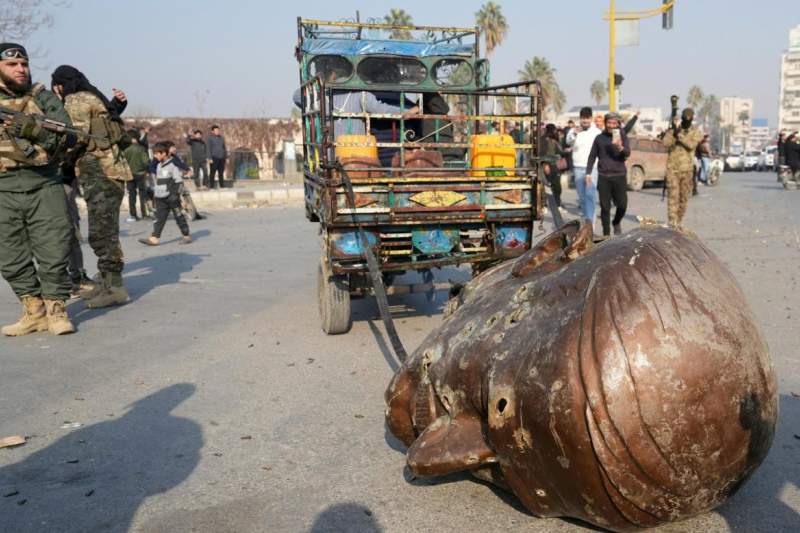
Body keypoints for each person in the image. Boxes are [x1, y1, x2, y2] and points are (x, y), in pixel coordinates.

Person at [0, 43, 75, 335]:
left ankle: (56, 308)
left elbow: (68, 136)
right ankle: (34, 309)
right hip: (3, 188)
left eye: (24, 64)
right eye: (12, 65)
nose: (21, 69)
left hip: (43, 182)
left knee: (54, 247)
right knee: (8, 253)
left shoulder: (42, 96)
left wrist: (29, 129)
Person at [51, 64, 132, 308]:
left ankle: (114, 287)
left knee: (102, 232)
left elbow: (76, 137)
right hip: (107, 171)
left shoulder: (75, 99)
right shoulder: (92, 96)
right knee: (103, 229)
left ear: (59, 85)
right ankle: (106, 283)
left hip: (100, 172)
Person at [586, 113, 631, 238]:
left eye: (614, 123)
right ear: (605, 123)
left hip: (619, 175)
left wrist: (620, 147)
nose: (611, 126)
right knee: (605, 207)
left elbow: (628, 153)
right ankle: (606, 235)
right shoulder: (599, 138)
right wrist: (588, 173)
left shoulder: (622, 136)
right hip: (604, 176)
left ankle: (616, 222)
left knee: (622, 205)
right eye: (609, 123)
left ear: (618, 124)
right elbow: (592, 156)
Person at [138, 142, 192, 246]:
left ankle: (186, 235)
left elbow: (179, 182)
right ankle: (154, 238)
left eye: (157, 153)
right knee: (159, 218)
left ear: (164, 153)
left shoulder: (173, 165)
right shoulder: (158, 165)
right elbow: (158, 181)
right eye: (154, 154)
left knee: (179, 216)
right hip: (160, 198)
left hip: (172, 197)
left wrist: (175, 195)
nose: (155, 156)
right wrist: (156, 193)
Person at [661, 108, 703, 229]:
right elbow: (665, 143)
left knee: (684, 198)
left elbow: (691, 145)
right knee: (673, 197)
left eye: (689, 117)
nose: (687, 119)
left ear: (692, 118)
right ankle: (672, 222)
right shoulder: (674, 130)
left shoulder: (695, 131)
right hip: (672, 169)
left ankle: (678, 220)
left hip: (687, 170)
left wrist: (679, 136)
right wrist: (673, 134)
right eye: (685, 117)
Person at [566, 106, 601, 231]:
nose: (585, 121)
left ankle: (590, 225)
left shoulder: (597, 132)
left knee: (590, 195)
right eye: (583, 118)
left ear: (591, 119)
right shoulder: (573, 131)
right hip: (578, 167)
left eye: (587, 118)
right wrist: (575, 133)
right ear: (580, 119)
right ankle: (586, 220)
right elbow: (568, 143)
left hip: (592, 169)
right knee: (582, 198)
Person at [123, 129, 150, 221]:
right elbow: (146, 162)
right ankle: (144, 213)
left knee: (131, 195)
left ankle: (133, 215)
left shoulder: (126, 150)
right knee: (142, 194)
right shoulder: (141, 149)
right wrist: (147, 169)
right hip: (141, 174)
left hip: (129, 175)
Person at [541, 123, 568, 213]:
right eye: (555, 130)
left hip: (555, 166)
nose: (556, 132)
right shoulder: (543, 140)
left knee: (557, 187)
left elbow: (560, 152)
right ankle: (544, 205)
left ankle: (557, 204)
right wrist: (545, 165)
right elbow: (541, 154)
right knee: (545, 187)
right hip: (547, 166)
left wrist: (567, 151)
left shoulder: (555, 140)